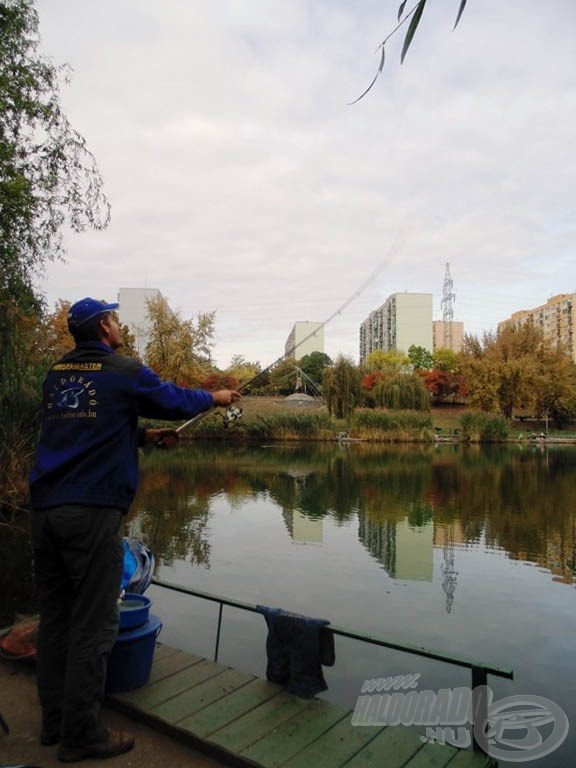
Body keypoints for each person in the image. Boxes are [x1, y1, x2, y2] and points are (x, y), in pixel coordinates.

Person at [29, 297, 240, 763]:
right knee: (94, 621)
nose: (119, 323)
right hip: (90, 513)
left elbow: (82, 434)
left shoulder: (55, 375)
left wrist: (143, 437)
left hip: (45, 511)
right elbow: (171, 398)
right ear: (104, 327)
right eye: (114, 317)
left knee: (57, 617)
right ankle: (81, 735)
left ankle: (54, 721)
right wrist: (216, 397)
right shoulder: (122, 370)